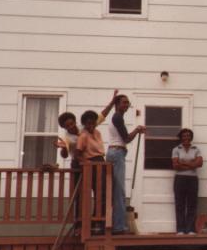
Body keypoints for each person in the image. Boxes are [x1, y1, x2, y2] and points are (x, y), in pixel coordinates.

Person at [55, 90, 117, 229]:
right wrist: (63, 148)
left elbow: (102, 115)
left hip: (92, 163)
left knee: (98, 190)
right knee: (80, 194)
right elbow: (66, 154)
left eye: (71, 123)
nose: (71, 126)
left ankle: (96, 222)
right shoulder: (67, 138)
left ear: (75, 121)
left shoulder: (86, 127)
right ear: (64, 127)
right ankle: (79, 223)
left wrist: (113, 102)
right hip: (78, 163)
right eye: (67, 126)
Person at [106, 94, 145, 235]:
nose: (126, 105)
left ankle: (119, 224)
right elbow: (127, 138)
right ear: (117, 104)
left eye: (128, 103)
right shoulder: (117, 117)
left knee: (117, 190)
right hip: (117, 153)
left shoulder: (117, 117)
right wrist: (137, 129)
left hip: (115, 153)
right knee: (119, 191)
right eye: (123, 102)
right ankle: (119, 227)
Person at [76, 110, 107, 234]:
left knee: (103, 194)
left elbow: (100, 151)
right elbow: (77, 155)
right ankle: (92, 224)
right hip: (91, 165)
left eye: (93, 122)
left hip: (101, 163)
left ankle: (99, 223)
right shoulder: (83, 136)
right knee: (95, 194)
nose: (91, 125)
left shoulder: (98, 133)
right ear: (84, 124)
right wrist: (87, 162)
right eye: (88, 123)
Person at [172, 128, 203, 235]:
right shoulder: (176, 149)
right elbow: (175, 166)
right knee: (180, 204)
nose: (186, 137)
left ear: (191, 137)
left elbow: (199, 164)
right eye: (184, 135)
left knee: (192, 204)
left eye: (188, 135)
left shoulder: (196, 149)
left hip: (192, 180)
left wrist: (183, 163)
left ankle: (191, 229)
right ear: (181, 137)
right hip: (179, 179)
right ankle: (180, 229)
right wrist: (191, 164)